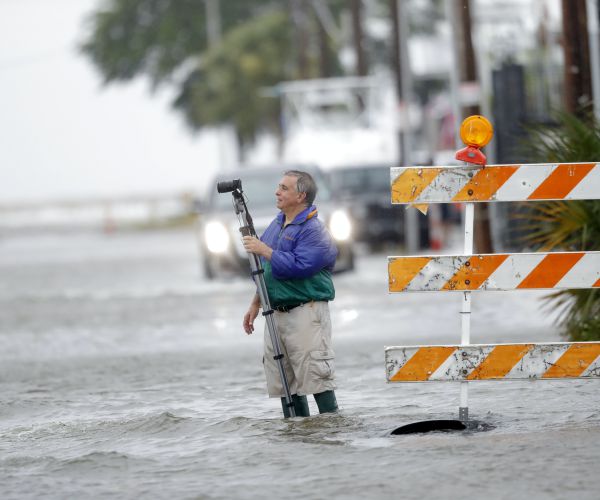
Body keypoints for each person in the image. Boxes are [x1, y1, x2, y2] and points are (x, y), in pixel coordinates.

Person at [242, 170, 339, 418]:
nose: (277, 192)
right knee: (286, 384)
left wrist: (264, 249)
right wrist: (255, 303)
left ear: (301, 196)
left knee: (316, 379)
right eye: (279, 187)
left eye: (284, 188)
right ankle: (296, 438)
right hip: (276, 313)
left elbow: (297, 266)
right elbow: (267, 270)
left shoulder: (314, 230)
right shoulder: (277, 224)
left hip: (306, 312)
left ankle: (331, 431)